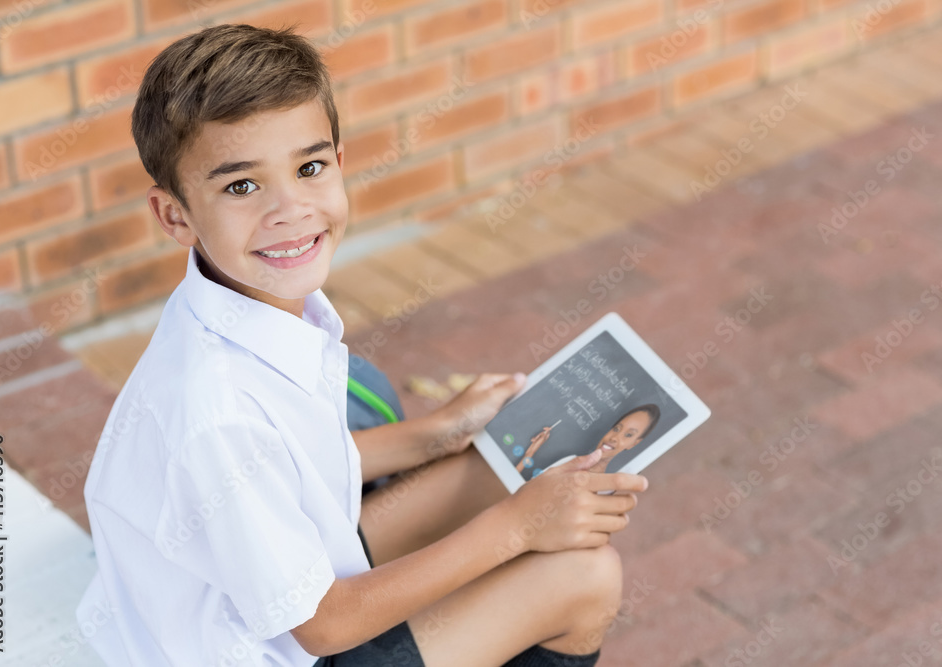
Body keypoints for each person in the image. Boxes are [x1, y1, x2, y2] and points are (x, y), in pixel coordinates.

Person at [75, 24, 648, 667]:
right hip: (284, 644)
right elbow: (319, 627)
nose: (289, 208)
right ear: (175, 214)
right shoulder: (214, 408)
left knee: (495, 466)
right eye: (242, 186)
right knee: (584, 577)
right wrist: (517, 530)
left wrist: (437, 431)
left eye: (309, 167)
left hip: (267, 590)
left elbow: (288, 464)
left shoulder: (238, 305)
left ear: (339, 162)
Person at [532, 405, 661, 477]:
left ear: (634, 443)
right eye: (616, 429)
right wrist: (530, 452)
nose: (614, 438)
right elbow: (524, 490)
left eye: (628, 435)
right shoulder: (569, 461)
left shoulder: (603, 492)